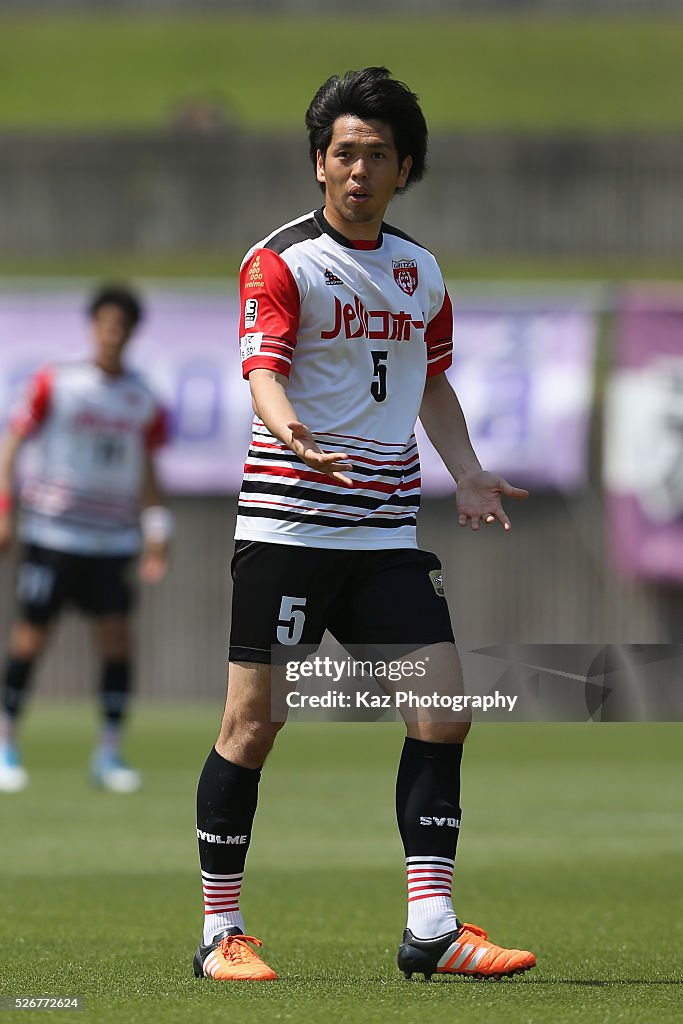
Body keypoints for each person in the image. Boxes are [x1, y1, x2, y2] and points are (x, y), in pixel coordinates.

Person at [193, 67, 536, 983]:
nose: (358, 169)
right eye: (343, 152)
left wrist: (466, 474)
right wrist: (289, 427)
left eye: (376, 155)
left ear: (403, 166)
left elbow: (429, 380)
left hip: (384, 534)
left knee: (445, 712)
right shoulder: (279, 263)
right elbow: (261, 369)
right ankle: (218, 933)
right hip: (289, 532)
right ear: (318, 163)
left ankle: (432, 927)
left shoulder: (419, 271)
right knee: (252, 725)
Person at [0, 284, 172, 794]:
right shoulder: (58, 382)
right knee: (31, 638)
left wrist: (157, 530)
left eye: (121, 326)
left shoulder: (143, 399)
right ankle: (7, 745)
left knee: (117, 640)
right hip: (53, 533)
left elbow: (147, 471)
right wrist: (6, 511)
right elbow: (13, 445)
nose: (111, 334)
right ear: (92, 327)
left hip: (112, 540)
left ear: (132, 333)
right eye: (105, 323)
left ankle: (109, 754)